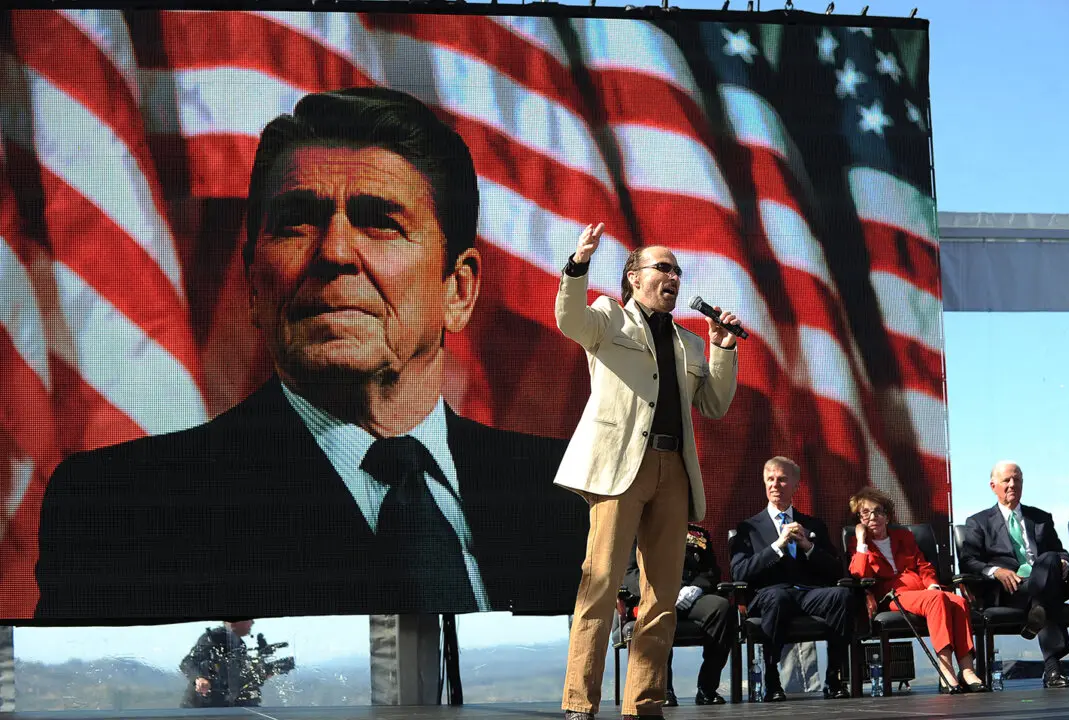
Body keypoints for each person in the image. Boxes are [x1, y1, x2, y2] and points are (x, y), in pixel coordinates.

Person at [34, 87, 586, 621]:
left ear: (458, 291)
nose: (335, 251)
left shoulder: (577, 497)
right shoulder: (127, 509)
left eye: (381, 223)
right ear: (254, 285)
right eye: (296, 224)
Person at [556, 224, 740, 720]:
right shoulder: (608, 317)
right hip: (621, 466)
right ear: (634, 278)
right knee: (599, 584)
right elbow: (569, 318)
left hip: (673, 468)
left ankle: (644, 703)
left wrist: (723, 349)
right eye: (663, 268)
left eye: (678, 270)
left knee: (661, 596)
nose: (674, 277)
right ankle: (579, 703)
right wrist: (578, 263)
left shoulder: (689, 343)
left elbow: (715, 404)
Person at [730, 456, 853, 702]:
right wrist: (777, 545)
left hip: (808, 593)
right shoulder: (748, 528)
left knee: (841, 595)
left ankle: (834, 678)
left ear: (796, 485)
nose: (775, 485)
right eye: (770, 479)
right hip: (769, 594)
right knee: (778, 598)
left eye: (782, 479)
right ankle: (772, 680)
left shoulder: (813, 524)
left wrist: (808, 546)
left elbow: (835, 569)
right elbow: (739, 572)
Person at [846, 486, 986, 692]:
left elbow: (923, 565)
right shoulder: (858, 544)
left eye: (878, 511)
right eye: (865, 513)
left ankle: (967, 670)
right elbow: (860, 574)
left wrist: (932, 585)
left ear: (887, 516)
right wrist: (861, 541)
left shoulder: (904, 537)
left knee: (959, 601)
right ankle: (946, 670)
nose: (872, 517)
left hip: (922, 591)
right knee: (937, 600)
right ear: (859, 519)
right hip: (892, 596)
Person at [958, 460, 1069, 689]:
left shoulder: (1040, 518)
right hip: (1010, 588)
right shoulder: (978, 522)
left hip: (1043, 579)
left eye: (1017, 480)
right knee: (1047, 595)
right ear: (993, 486)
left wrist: (1064, 564)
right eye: (1007, 480)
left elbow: (1062, 553)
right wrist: (996, 571)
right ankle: (1052, 668)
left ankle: (1038, 616)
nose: (1012, 484)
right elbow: (968, 561)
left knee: (1050, 558)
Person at [624, 524, 732, 707]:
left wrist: (696, 588)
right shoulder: (637, 530)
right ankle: (663, 689)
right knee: (657, 614)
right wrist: (662, 592)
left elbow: (711, 571)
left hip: (691, 597)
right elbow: (629, 574)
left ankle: (707, 689)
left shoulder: (698, 533)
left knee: (721, 608)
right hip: (656, 596)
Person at [179, 619, 294, 708]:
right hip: (199, 710)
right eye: (249, 619)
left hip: (225, 708)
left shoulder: (239, 643)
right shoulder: (214, 638)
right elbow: (188, 661)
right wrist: (199, 678)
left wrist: (268, 670)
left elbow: (238, 679)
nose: (252, 622)